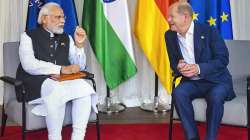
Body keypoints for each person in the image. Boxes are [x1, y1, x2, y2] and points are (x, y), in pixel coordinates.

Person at [16, 2, 97, 140]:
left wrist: (79, 45)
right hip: (35, 82)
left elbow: (80, 66)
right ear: (44, 19)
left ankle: (78, 137)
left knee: (85, 88)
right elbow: (29, 64)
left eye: (63, 17)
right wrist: (60, 69)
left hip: (62, 81)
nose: (63, 20)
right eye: (58, 17)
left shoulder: (67, 37)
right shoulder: (28, 36)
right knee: (56, 90)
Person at [165, 1, 235, 140]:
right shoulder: (170, 35)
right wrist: (178, 67)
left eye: (172, 16)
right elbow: (173, 63)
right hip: (192, 82)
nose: (168, 20)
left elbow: (223, 59)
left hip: (217, 81)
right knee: (178, 93)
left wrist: (199, 68)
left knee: (215, 96)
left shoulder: (209, 31)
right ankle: (192, 137)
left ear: (185, 17)